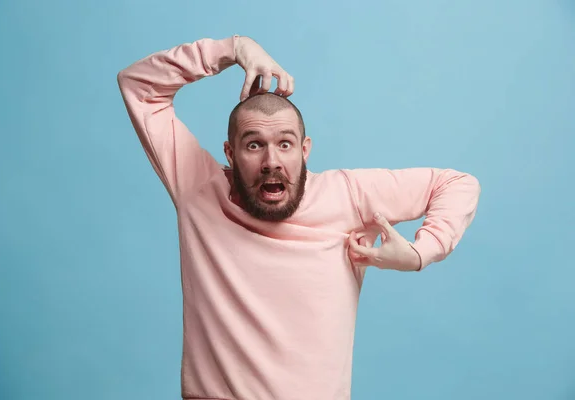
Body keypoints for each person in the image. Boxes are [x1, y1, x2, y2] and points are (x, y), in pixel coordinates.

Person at [117, 34, 481, 400]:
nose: (271, 161)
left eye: (285, 144)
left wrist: (421, 253)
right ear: (230, 152)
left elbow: (456, 184)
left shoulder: (348, 195)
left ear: (305, 151)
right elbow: (139, 85)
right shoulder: (197, 187)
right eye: (254, 144)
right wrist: (233, 48)